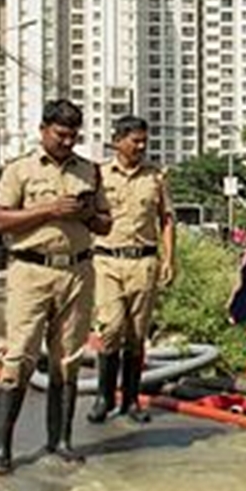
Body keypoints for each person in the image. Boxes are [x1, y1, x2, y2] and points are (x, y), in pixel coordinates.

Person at [0, 100, 111, 474]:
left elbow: (105, 224)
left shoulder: (89, 171)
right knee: (20, 356)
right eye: (61, 134)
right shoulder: (19, 170)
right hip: (31, 272)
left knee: (68, 358)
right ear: (43, 130)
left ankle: (60, 440)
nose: (67, 142)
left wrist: (88, 213)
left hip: (77, 272)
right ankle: (1, 448)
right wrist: (49, 211)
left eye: (74, 136)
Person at [88, 116, 176, 424]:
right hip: (107, 261)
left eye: (144, 141)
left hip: (143, 262)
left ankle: (131, 400)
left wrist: (169, 259)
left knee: (136, 336)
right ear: (118, 140)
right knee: (110, 328)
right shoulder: (98, 175)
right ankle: (103, 397)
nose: (140, 146)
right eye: (135, 140)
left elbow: (166, 219)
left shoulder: (155, 177)